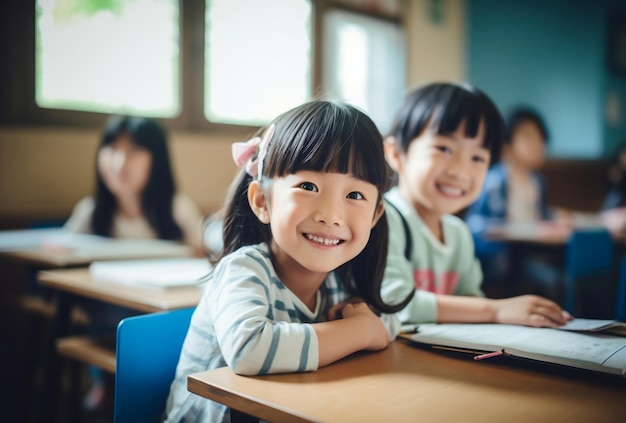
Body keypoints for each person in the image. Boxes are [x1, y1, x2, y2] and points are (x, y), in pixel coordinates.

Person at [164, 100, 412, 422]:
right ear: (262, 201)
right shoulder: (244, 269)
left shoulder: (341, 279)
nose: (331, 215)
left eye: (354, 195)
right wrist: (361, 332)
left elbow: (385, 323)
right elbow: (248, 349)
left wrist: (368, 324)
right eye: (308, 186)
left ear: (376, 214)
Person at [381, 83, 572, 328]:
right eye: (444, 148)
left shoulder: (458, 233)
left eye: (477, 158)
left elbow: (471, 302)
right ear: (396, 153)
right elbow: (395, 303)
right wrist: (494, 310)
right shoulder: (385, 219)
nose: (461, 171)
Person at [63, 115, 204, 412]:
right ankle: (108, 386)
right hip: (105, 316)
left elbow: (200, 260)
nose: (119, 162)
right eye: (111, 149)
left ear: (157, 159)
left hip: (162, 311)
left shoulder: (178, 209)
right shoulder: (90, 213)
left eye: (134, 151)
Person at [464, 106, 563, 299]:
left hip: (531, 253)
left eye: (541, 139)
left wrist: (557, 217)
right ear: (508, 144)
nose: (537, 144)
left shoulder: (537, 181)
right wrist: (507, 229)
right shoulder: (496, 180)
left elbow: (540, 215)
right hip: (500, 259)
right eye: (528, 138)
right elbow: (475, 223)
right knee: (552, 280)